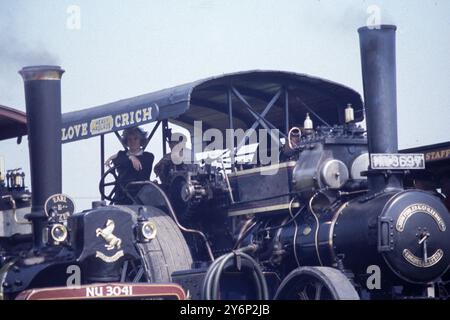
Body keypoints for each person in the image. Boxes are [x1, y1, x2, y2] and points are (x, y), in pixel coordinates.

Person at [105, 126, 154, 204]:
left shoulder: (148, 156)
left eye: (135, 138)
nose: (132, 142)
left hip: (140, 197)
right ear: (126, 142)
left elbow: (141, 164)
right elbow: (119, 160)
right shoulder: (122, 155)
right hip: (121, 197)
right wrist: (131, 157)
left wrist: (128, 157)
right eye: (129, 139)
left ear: (141, 140)